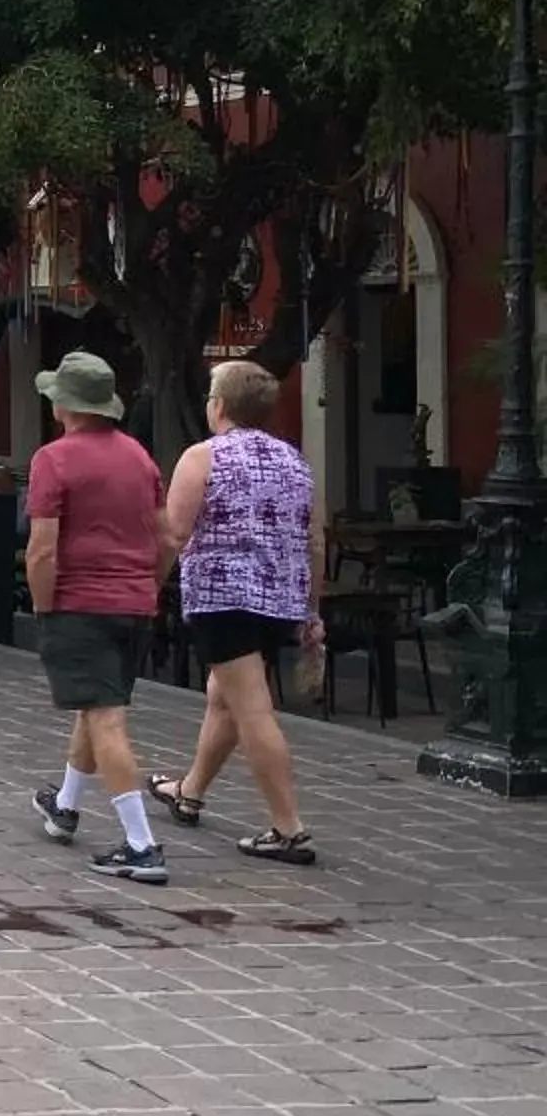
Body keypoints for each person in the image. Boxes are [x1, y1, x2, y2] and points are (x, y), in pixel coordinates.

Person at [147, 360, 321, 865]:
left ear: (219, 405)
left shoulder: (203, 457)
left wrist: (147, 589)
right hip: (279, 598)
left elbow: (175, 534)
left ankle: (288, 827)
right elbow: (315, 539)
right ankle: (189, 791)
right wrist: (312, 608)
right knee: (224, 695)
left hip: (223, 598)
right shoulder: (296, 462)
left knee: (251, 707)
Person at [22, 351, 173, 884]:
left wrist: (43, 606)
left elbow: (42, 548)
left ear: (65, 405)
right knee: (95, 703)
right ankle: (64, 804)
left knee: (107, 718)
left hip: (78, 602)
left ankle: (141, 843)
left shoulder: (53, 459)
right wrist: (147, 586)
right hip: (133, 603)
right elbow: (168, 535)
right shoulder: (139, 457)